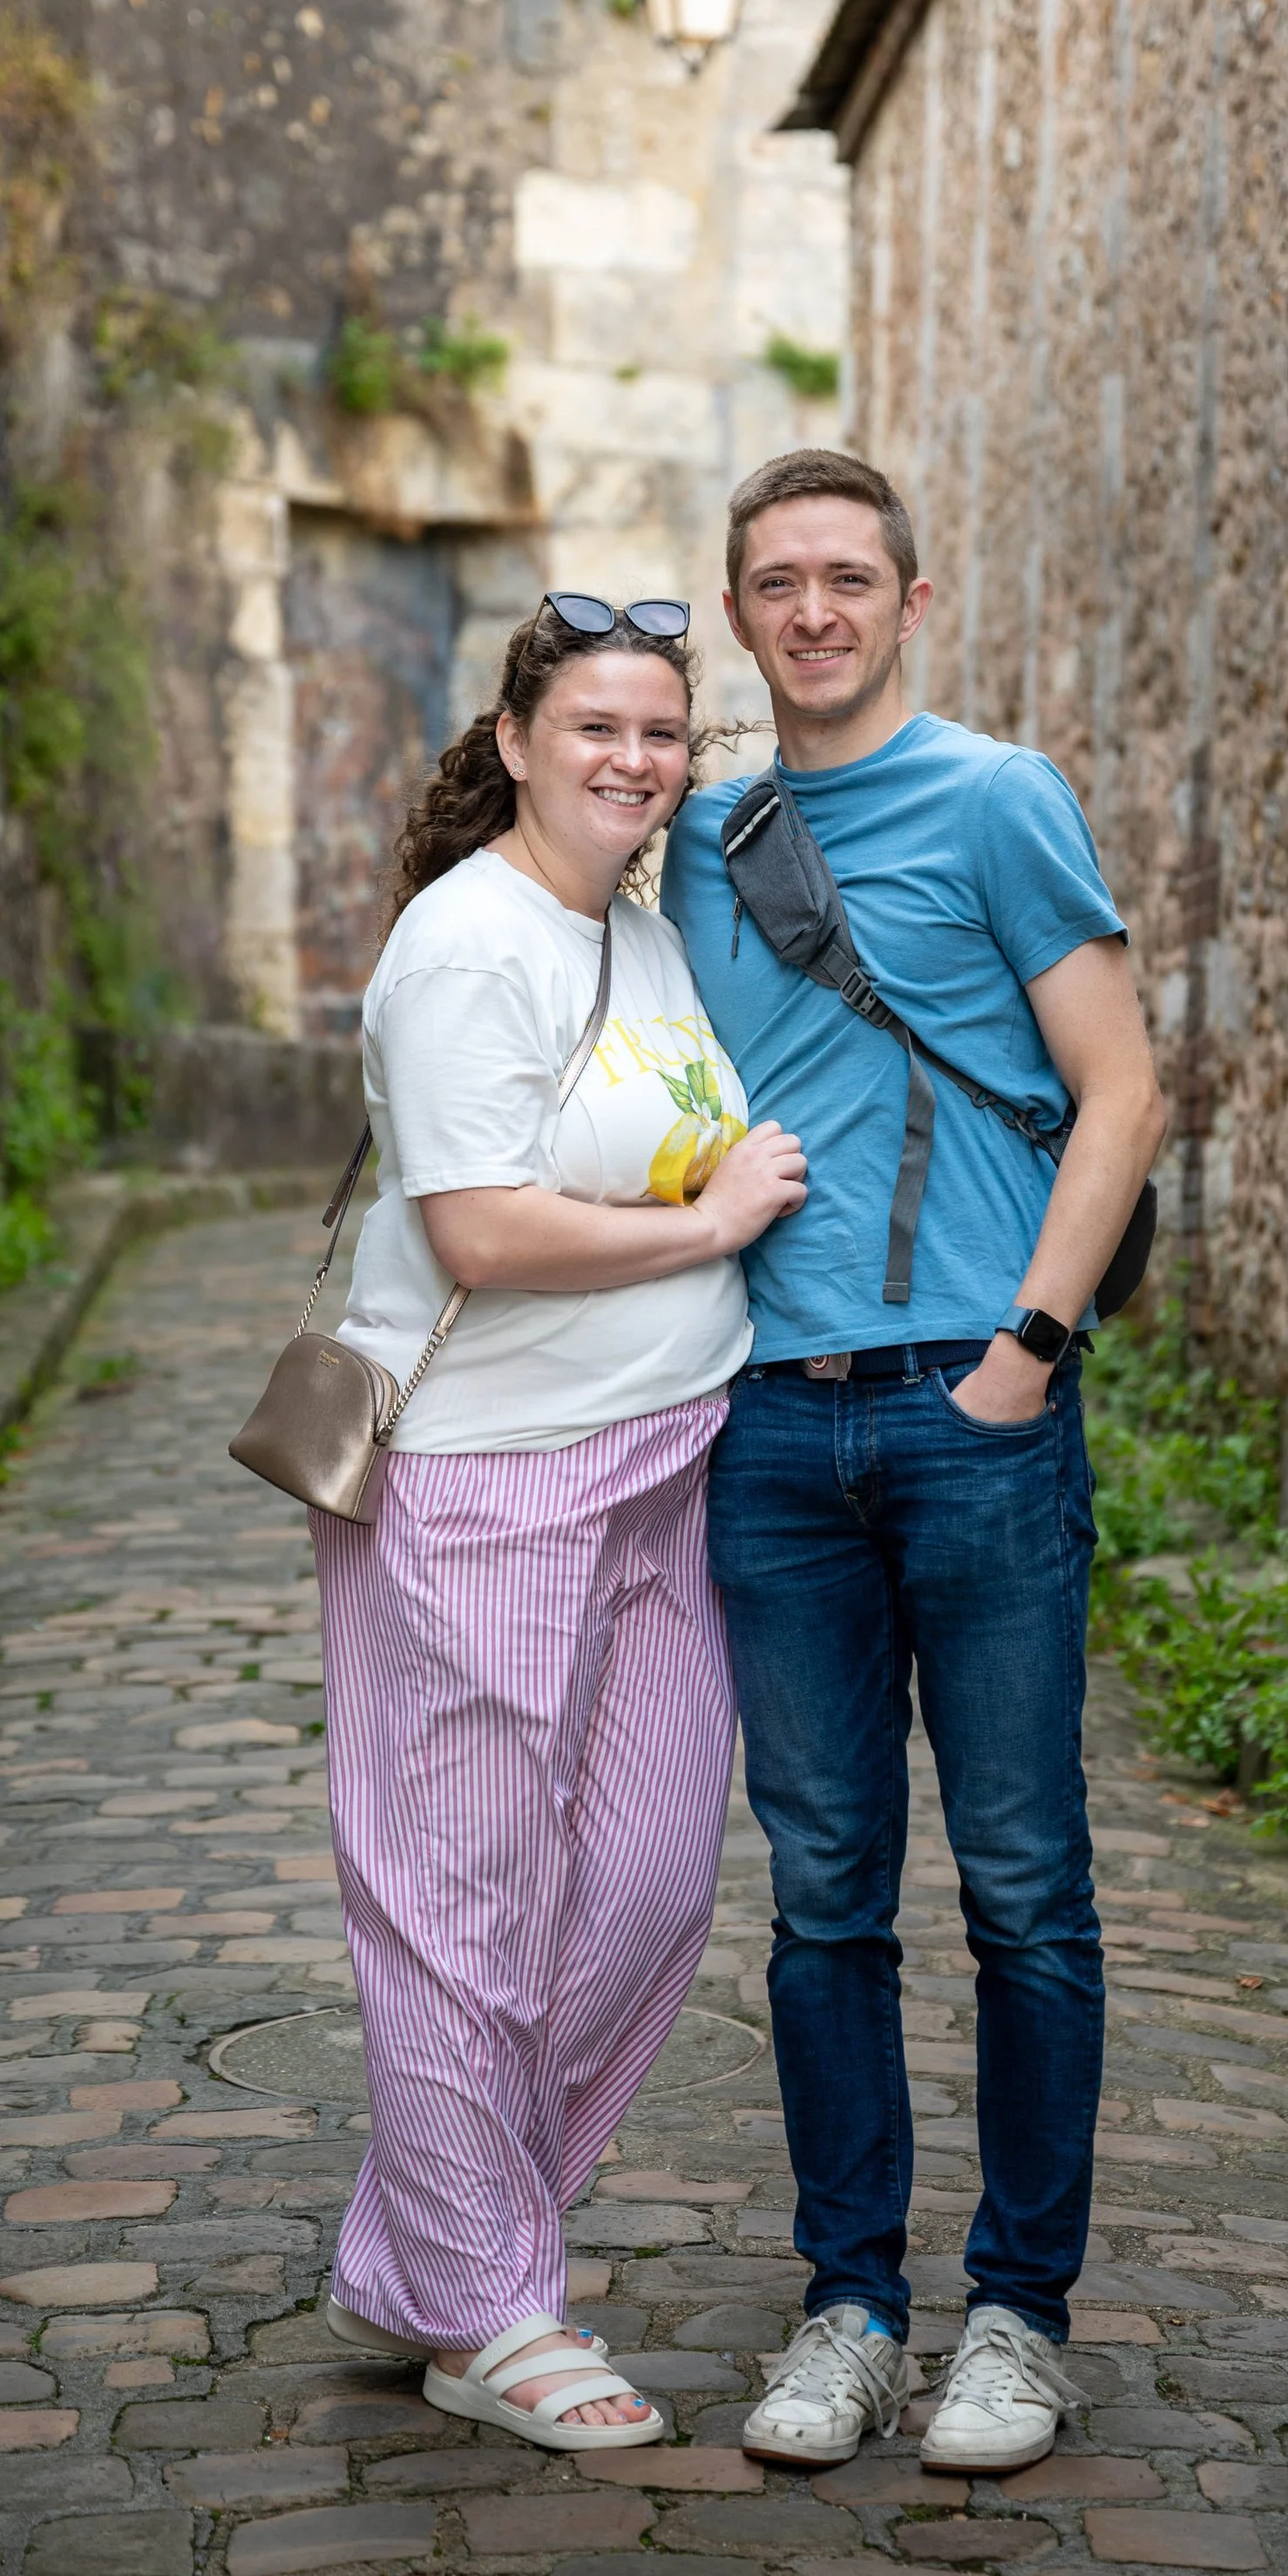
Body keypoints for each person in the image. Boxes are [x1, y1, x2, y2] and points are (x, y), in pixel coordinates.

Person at [661, 451, 1167, 2474]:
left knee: (1027, 1889)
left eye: (845, 579)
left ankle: (1018, 2319)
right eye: (775, 584)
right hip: (765, 1426)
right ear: (737, 611)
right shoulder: (697, 839)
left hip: (974, 1416)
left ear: (907, 597)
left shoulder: (994, 798)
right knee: (821, 1898)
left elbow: (1119, 1085)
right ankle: (849, 2305)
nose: (812, 612)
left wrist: (1025, 1358)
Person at [312, 593, 807, 2451]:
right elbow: (482, 1232)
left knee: (650, 1888)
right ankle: (482, 2306)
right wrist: (713, 1224)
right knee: (459, 1905)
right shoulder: (466, 950)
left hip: (658, 1465)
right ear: (515, 739)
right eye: (596, 724)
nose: (632, 759)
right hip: (480, 1477)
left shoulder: (650, 937)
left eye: (663, 733)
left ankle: (425, 2239)